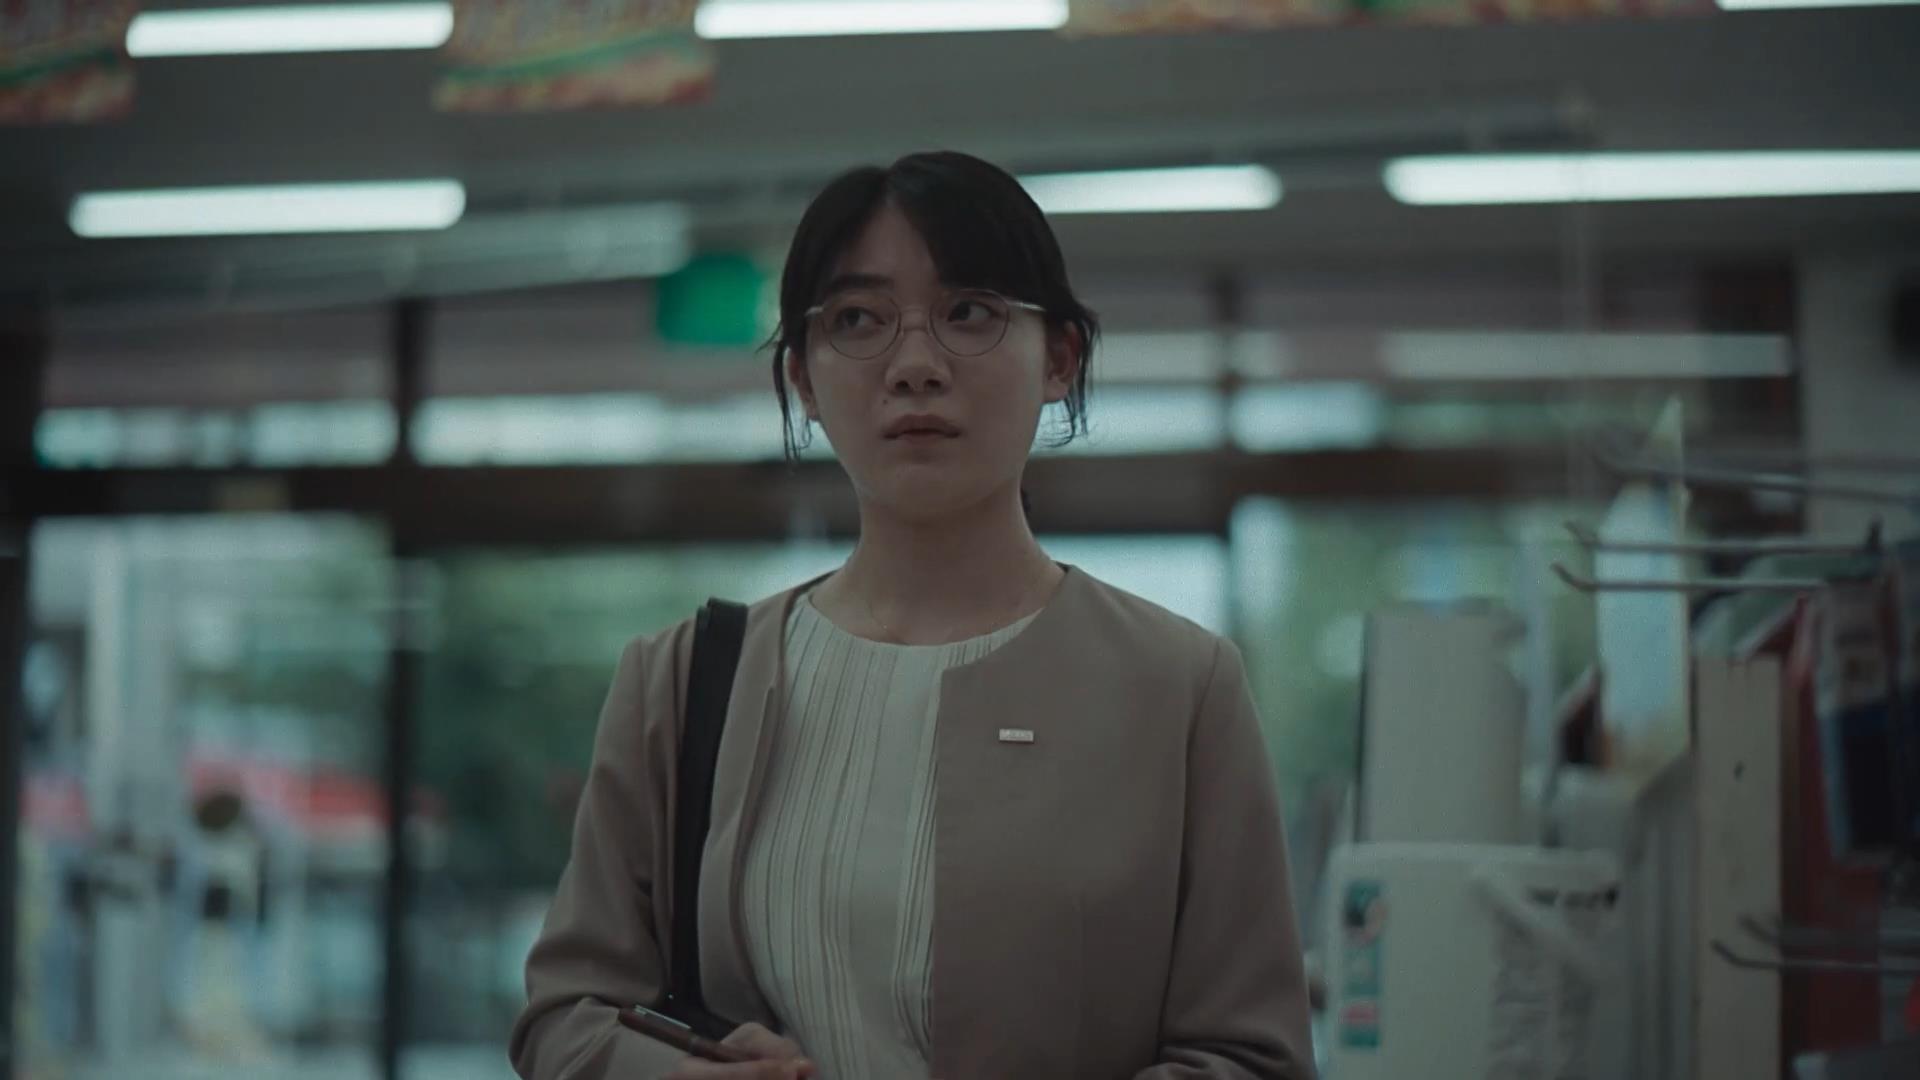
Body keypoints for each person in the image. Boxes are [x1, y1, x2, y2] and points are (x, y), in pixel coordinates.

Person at [510, 151, 1313, 1080]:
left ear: (1059, 358)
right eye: (857, 320)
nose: (915, 367)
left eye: (969, 312)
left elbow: (1252, 1056)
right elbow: (565, 1017)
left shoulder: (1178, 686)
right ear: (804, 379)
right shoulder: (687, 680)